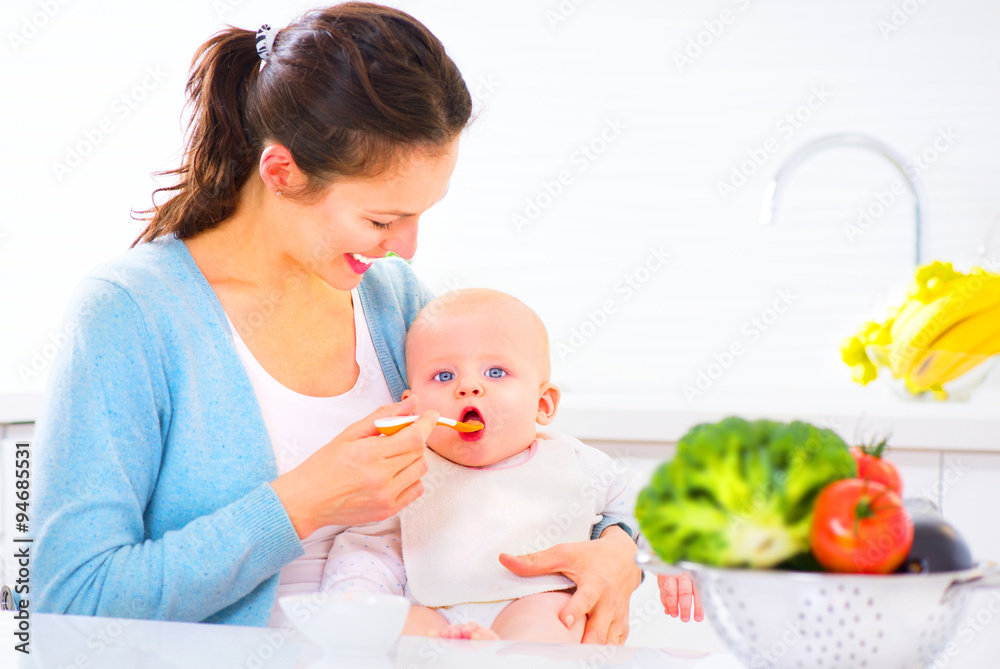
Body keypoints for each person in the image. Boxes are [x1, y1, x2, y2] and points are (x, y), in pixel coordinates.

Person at [33, 3, 642, 643]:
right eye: (381, 221)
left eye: (418, 216)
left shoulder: (392, 300)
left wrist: (615, 546)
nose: (406, 249)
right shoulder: (131, 312)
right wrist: (304, 502)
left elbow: (520, 464)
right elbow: (68, 597)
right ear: (282, 171)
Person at [321, 288, 641, 642]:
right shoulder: (406, 471)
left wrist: (670, 562)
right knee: (401, 631)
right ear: (411, 407)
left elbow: (644, 511)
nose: (468, 386)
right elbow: (368, 549)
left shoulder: (575, 463)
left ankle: (509, 657)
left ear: (543, 404)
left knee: (550, 621)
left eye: (496, 371)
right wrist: (356, 600)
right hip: (434, 614)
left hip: (534, 602)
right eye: (444, 376)